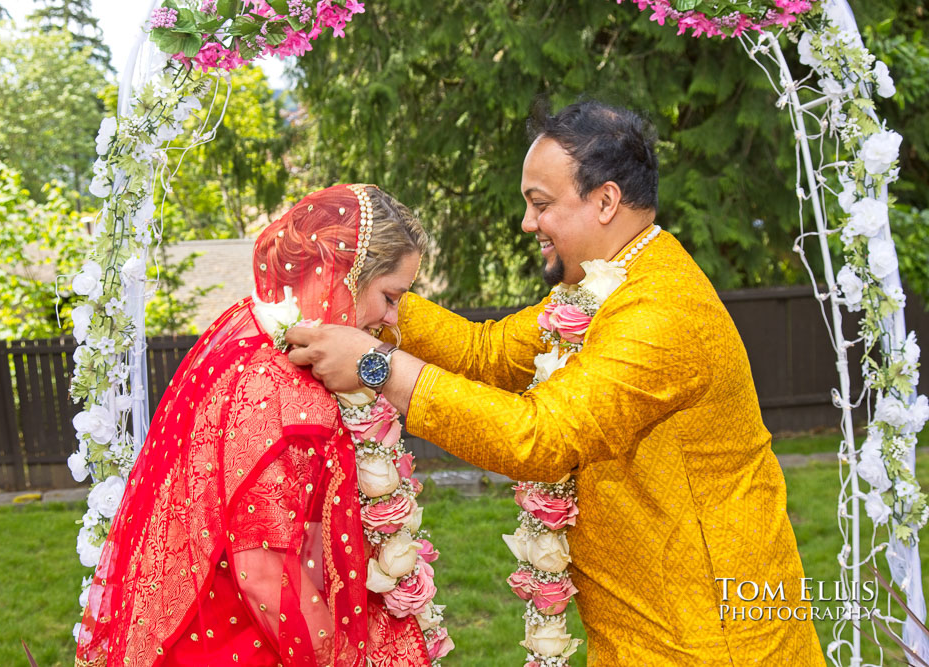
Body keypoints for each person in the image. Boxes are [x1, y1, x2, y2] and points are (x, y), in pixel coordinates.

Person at [286, 101, 826, 665]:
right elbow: (485, 353)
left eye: (540, 205)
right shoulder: (599, 288)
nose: (526, 223)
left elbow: (541, 438)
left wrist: (377, 366)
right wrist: (374, 295)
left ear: (606, 200)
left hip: (710, 637)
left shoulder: (662, 310)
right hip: (640, 627)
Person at [75, 184, 435, 667]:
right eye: (389, 297)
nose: (391, 320)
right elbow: (264, 571)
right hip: (248, 643)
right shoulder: (283, 390)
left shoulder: (250, 333)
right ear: (340, 275)